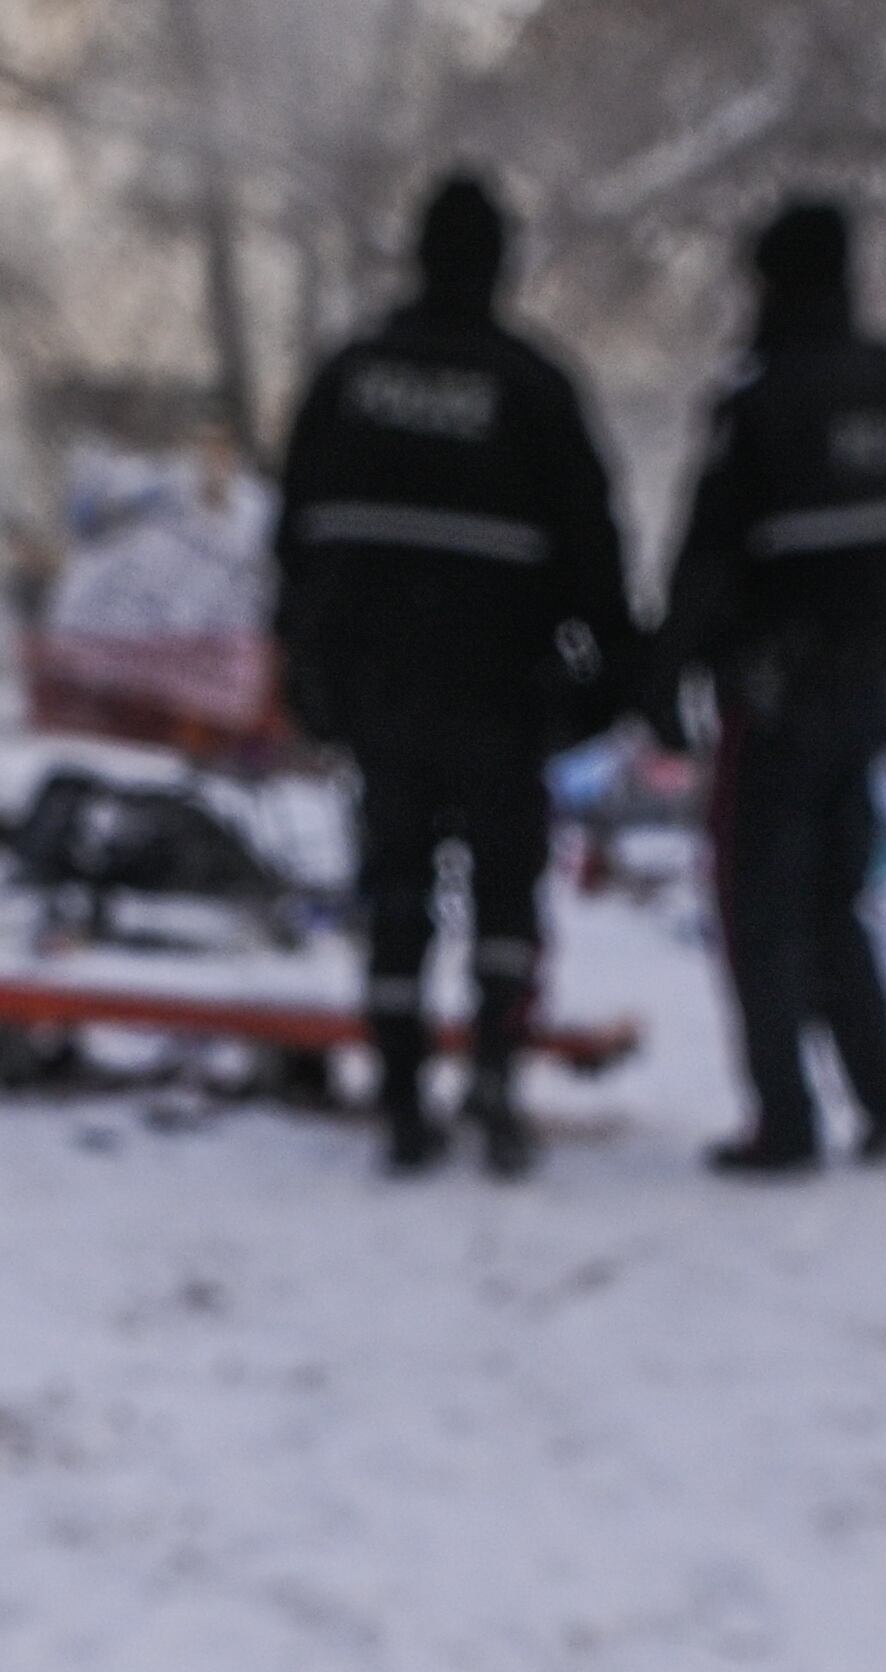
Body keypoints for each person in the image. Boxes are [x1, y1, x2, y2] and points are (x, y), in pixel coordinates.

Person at [276, 171, 640, 1178]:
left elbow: (294, 539)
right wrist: (611, 674)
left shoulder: (350, 377)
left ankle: (399, 1096)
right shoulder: (532, 386)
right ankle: (493, 1080)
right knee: (503, 900)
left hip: (381, 692)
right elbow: (594, 544)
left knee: (395, 892)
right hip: (501, 691)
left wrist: (307, 669)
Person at [642, 196, 886, 1177]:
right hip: (864, 687)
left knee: (755, 902)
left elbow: (707, 558)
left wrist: (663, 678)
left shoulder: (760, 402)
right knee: (837, 896)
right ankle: (885, 1098)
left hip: (770, 695)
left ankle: (784, 1118)